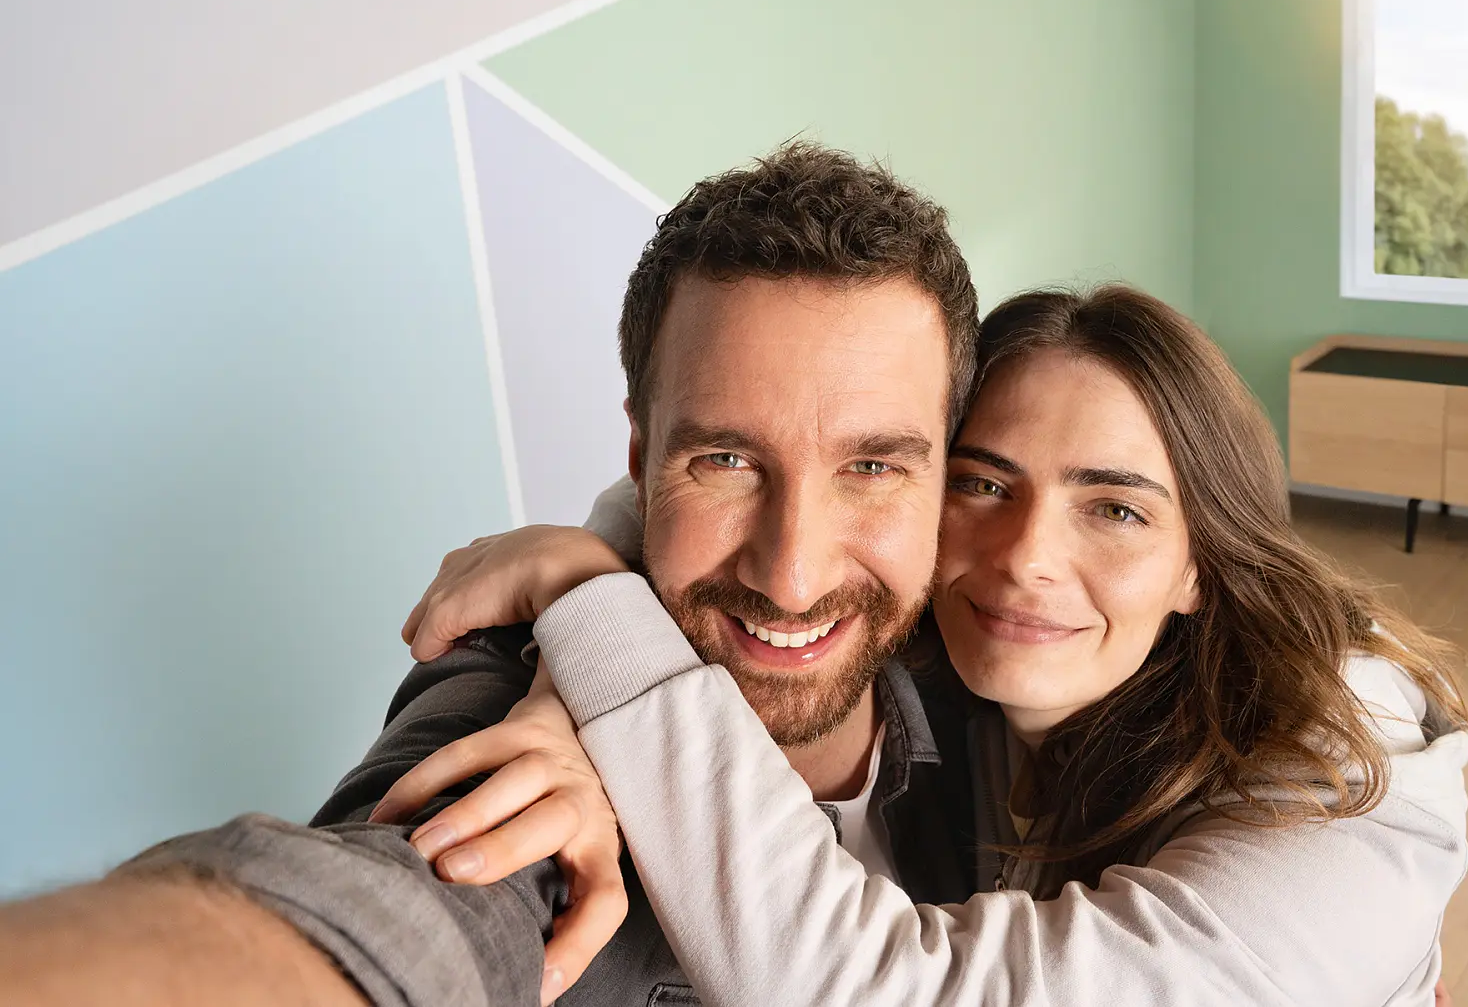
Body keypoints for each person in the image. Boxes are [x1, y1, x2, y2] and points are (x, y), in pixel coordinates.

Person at [0, 143, 987, 1006]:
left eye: (871, 466)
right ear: (640, 463)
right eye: (725, 461)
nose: (791, 572)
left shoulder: (1007, 698)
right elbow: (387, 915)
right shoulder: (509, 698)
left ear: (949, 476)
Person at [387, 285, 1468, 1006]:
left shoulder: (1352, 799)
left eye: (1112, 509)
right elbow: (748, 501)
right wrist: (561, 691)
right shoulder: (956, 659)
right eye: (980, 483)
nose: (1022, 559)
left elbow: (872, 992)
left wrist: (592, 605)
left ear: (1202, 563)